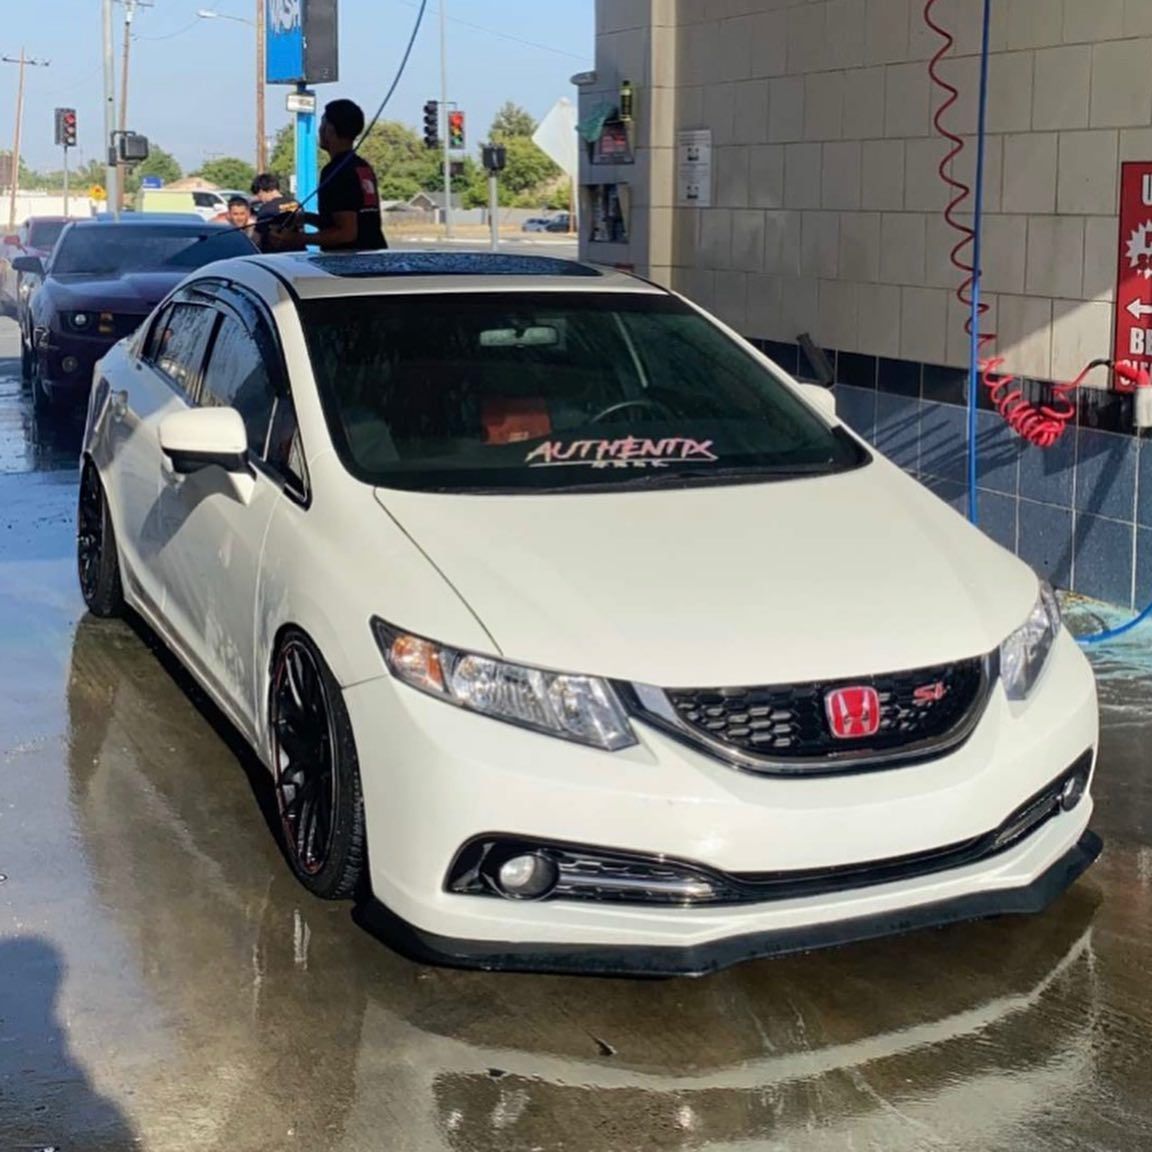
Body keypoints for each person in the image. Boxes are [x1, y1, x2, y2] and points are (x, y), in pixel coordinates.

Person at [266, 98, 387, 253]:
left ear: (329, 129)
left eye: (323, 123)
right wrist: (305, 218)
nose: (320, 130)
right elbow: (352, 220)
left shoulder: (336, 171)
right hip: (374, 256)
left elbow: (346, 233)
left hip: (349, 265)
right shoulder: (362, 166)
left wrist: (297, 239)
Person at [250, 172, 300, 252]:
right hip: (297, 252)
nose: (260, 199)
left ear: (262, 190)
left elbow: (256, 238)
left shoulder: (266, 209)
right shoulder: (296, 203)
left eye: (259, 195)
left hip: (275, 256)